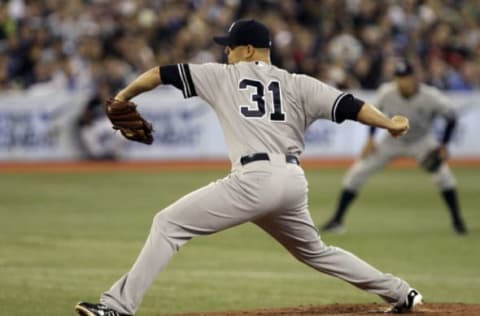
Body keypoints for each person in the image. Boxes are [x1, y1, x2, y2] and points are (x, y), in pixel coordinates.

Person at [75, 20, 422, 316]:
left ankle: (117, 307)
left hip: (254, 180)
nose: (226, 52)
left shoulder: (222, 76)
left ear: (250, 50)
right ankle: (401, 292)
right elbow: (350, 106)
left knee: (168, 223)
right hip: (292, 181)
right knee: (317, 252)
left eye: (231, 47)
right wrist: (389, 123)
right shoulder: (299, 83)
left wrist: (122, 98)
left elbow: (157, 74)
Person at [321, 59, 468, 235]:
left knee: (444, 177)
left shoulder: (431, 96)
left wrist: (444, 145)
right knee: (357, 173)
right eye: (398, 77)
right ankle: (337, 220)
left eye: (405, 77)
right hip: (391, 141)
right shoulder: (387, 92)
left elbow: (451, 117)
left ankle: (458, 222)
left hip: (421, 141)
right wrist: (370, 139)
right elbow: (373, 115)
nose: (401, 81)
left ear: (414, 78)